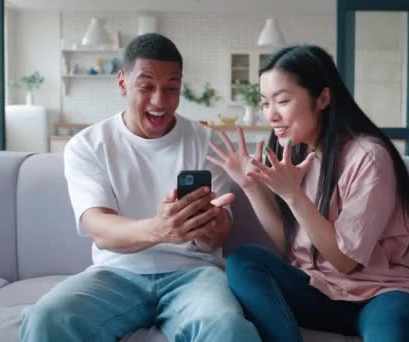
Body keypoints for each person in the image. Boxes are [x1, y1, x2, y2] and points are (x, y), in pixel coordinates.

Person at [19, 33, 260, 342]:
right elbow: (100, 228)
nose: (160, 101)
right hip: (116, 273)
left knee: (227, 328)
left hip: (194, 274)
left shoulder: (206, 141)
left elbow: (220, 234)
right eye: (146, 87)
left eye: (171, 88)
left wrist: (210, 226)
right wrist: (160, 229)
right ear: (122, 83)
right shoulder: (88, 145)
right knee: (45, 320)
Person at [208, 45, 409, 342]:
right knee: (244, 261)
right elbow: (286, 245)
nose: (271, 115)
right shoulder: (297, 155)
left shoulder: (368, 157)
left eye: (283, 101)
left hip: (384, 293)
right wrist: (250, 185)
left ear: (323, 98)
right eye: (265, 103)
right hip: (321, 290)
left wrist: (294, 195)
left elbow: (345, 261)